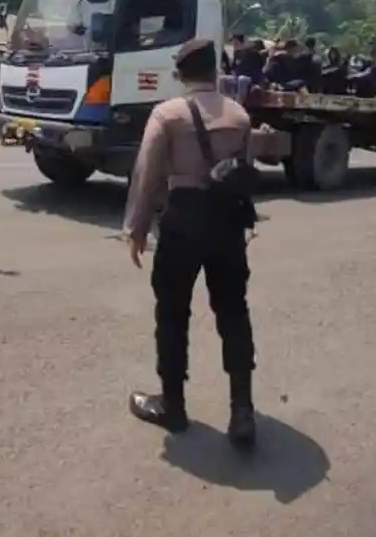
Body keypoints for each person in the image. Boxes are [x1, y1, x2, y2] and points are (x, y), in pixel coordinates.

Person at [124, 38, 259, 448]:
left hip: (183, 220)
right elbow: (243, 171)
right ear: (215, 71)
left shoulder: (167, 113)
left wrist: (136, 228)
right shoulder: (239, 114)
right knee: (233, 311)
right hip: (227, 222)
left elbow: (147, 173)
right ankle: (242, 411)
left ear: (181, 73)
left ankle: (173, 405)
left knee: (172, 313)